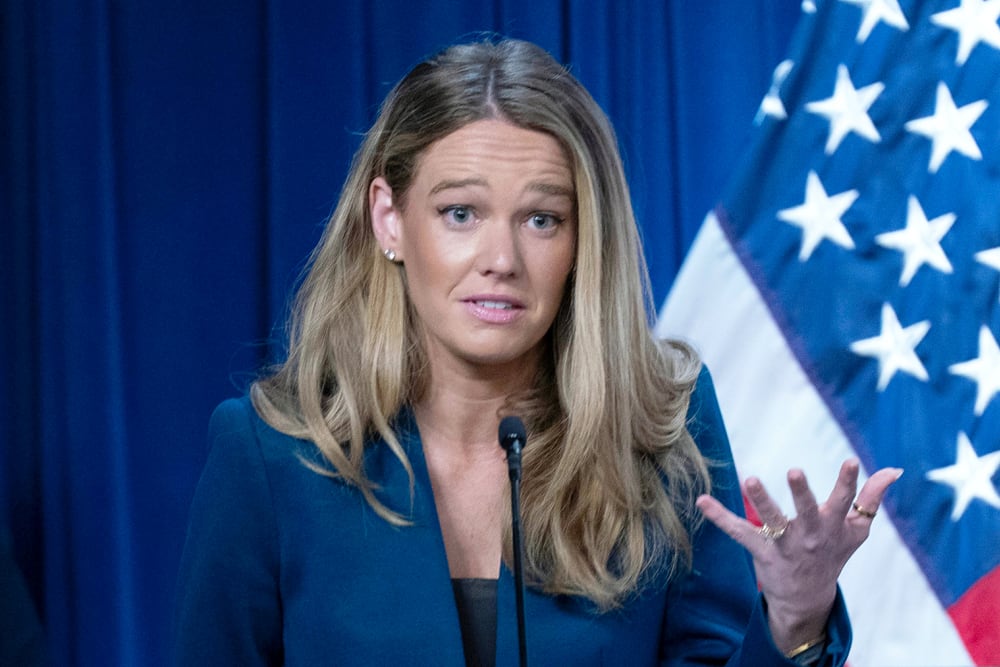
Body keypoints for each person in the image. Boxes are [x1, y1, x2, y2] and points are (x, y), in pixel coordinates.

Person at [173, 38, 900, 666]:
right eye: (461, 213)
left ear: (584, 240)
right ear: (389, 219)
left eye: (542, 218)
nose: (502, 258)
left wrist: (795, 617)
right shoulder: (272, 456)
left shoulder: (664, 428)